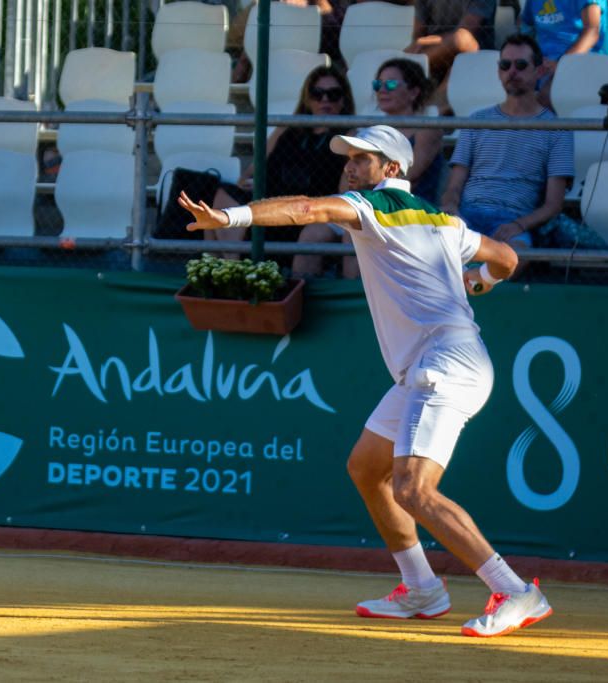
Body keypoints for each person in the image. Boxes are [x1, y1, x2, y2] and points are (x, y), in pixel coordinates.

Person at [177, 124, 553, 639]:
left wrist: (228, 216)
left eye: (363, 158)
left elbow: (308, 210)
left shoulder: (374, 205)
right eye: (349, 158)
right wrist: (478, 283)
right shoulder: (444, 220)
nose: (351, 166)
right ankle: (421, 587)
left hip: (447, 365)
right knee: (366, 469)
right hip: (433, 363)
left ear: (392, 170)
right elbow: (507, 259)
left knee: (414, 490)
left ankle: (515, 591)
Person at [440, 33, 573, 264]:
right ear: (498, 71)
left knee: (514, 260)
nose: (512, 72)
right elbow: (453, 186)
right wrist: (452, 209)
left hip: (513, 221)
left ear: (539, 71)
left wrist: (518, 225)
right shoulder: (476, 120)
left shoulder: (557, 130)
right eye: (505, 65)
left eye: (521, 65)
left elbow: (554, 204)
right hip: (466, 216)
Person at [210, 65, 354, 269]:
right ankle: (232, 268)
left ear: (344, 99)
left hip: (309, 207)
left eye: (333, 94)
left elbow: (346, 188)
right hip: (271, 198)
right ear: (308, 98)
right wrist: (247, 179)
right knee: (223, 195)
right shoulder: (287, 128)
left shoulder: (349, 136)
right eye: (317, 94)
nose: (325, 100)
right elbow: (256, 167)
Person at [374, 58, 445, 202]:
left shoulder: (427, 130)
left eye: (391, 84)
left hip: (411, 209)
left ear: (413, 92)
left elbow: (409, 177)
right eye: (378, 84)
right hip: (371, 203)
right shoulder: (371, 131)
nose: (382, 90)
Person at [520, 0, 608, 105]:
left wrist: (562, 65)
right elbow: (525, 31)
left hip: (580, 63)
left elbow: (592, 32)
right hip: (543, 65)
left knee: (549, 95)